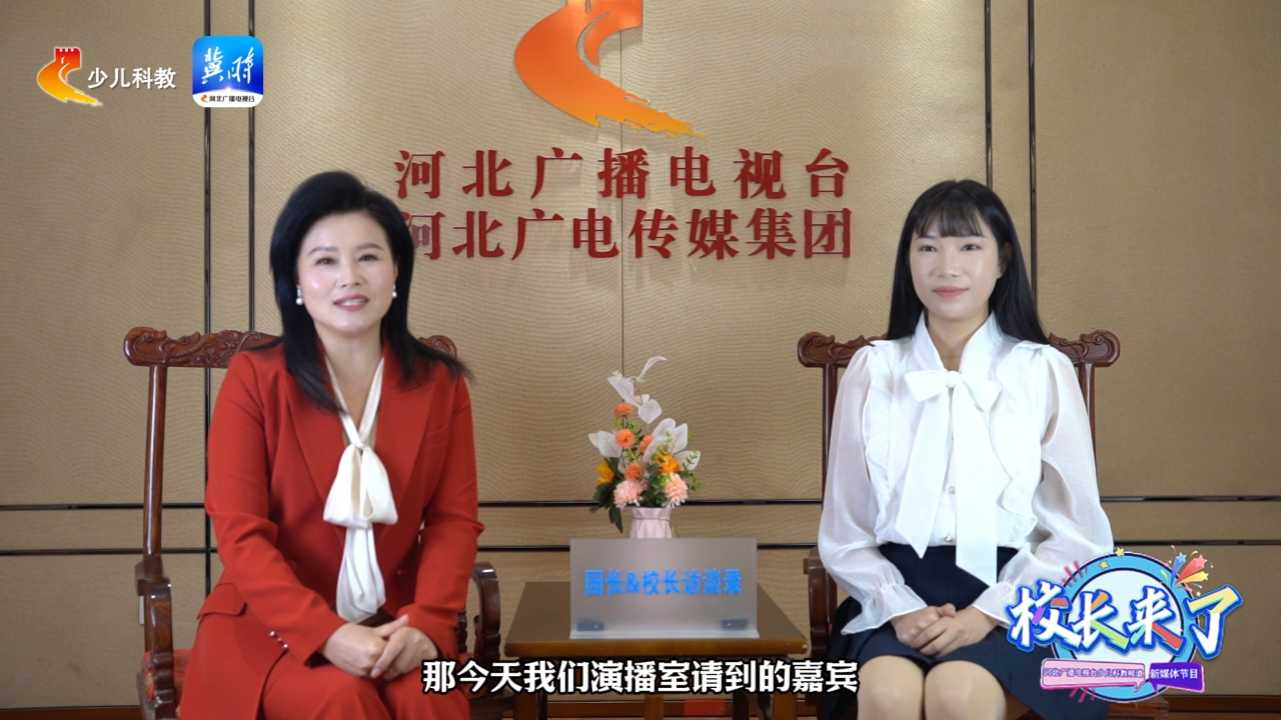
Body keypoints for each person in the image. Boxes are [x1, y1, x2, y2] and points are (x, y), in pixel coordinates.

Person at [179, 171, 482, 719]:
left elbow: (452, 521)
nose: (349, 278)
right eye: (324, 260)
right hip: (270, 629)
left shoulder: (441, 384)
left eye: (368, 257)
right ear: (295, 279)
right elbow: (240, 533)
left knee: (429, 697)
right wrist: (326, 633)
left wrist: (428, 623)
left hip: (397, 621)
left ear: (396, 271)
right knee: (342, 698)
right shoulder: (254, 380)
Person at [817, 180, 1113, 720]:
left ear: (1003, 261)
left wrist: (988, 613)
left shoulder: (1043, 371)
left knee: (958, 691)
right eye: (928, 247)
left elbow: (1078, 532)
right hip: (894, 594)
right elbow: (846, 529)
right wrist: (898, 607)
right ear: (908, 261)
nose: (946, 267)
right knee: (887, 692)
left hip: (1021, 595)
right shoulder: (873, 370)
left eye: (969, 246)